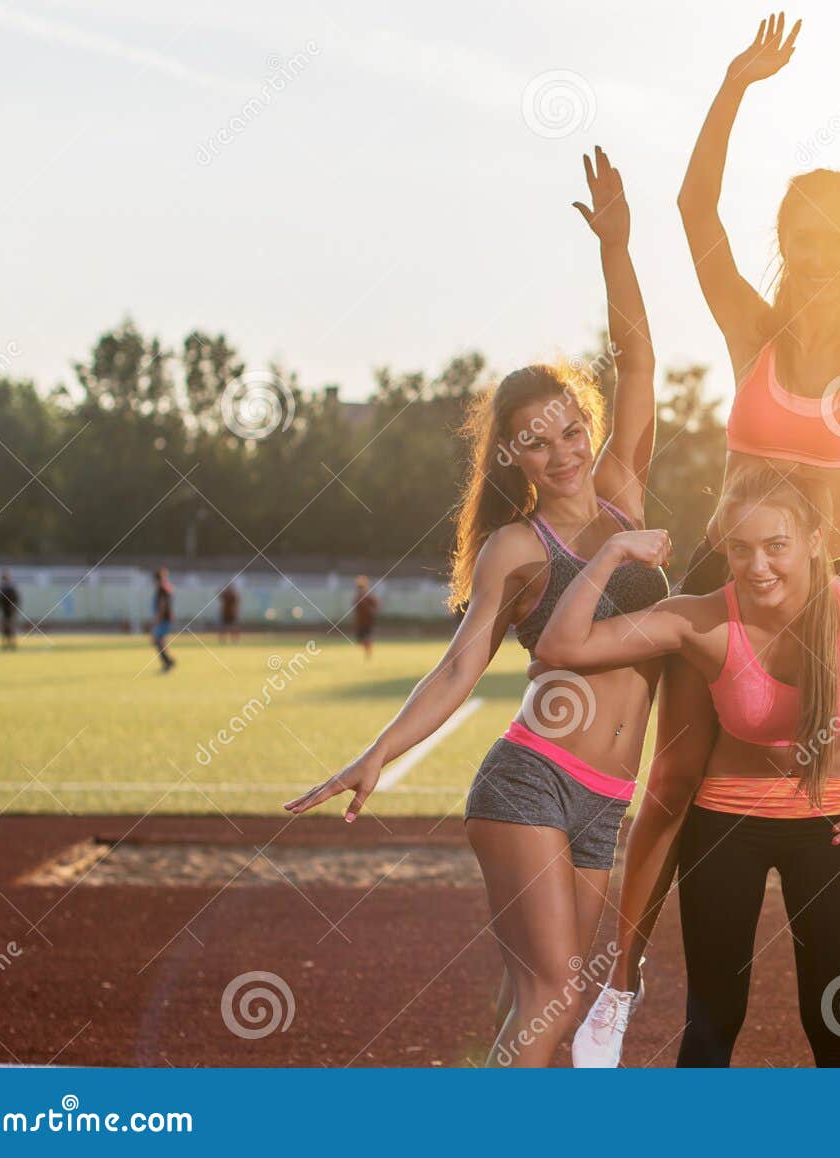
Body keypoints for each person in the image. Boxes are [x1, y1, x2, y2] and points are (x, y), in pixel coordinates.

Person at [574, 13, 840, 1063]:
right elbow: (694, 207)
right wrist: (737, 84)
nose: (820, 258)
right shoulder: (755, 329)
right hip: (731, 573)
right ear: (785, 246)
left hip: (833, 582)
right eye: (803, 239)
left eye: (839, 242)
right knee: (677, 775)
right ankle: (621, 978)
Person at [283, 148, 664, 1067]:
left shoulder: (623, 490)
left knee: (559, 1011)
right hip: (530, 783)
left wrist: (618, 248)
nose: (562, 450)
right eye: (535, 444)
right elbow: (459, 666)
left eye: (569, 428)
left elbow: (639, 358)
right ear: (514, 461)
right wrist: (376, 754)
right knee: (553, 994)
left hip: (609, 801)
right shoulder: (516, 549)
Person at [538, 465, 840, 1066]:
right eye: (740, 549)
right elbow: (562, 647)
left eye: (776, 546)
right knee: (712, 1019)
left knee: (834, 1023)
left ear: (814, 542)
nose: (758, 566)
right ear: (724, 548)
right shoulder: (703, 620)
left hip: (834, 828)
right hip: (726, 827)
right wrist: (607, 556)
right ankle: (621, 991)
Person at [151, 567, 175, 672]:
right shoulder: (165, 588)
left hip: (162, 619)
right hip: (165, 618)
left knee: (157, 641)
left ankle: (168, 662)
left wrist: (158, 619)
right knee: (160, 641)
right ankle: (168, 661)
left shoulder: (162, 589)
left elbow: (163, 605)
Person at [351, 577, 378, 659]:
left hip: (367, 621)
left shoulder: (369, 596)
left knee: (365, 637)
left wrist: (370, 612)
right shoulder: (358, 596)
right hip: (360, 622)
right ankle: (368, 649)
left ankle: (368, 651)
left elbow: (376, 606)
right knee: (360, 639)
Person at [0, 571, 20, 650]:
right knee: (5, 628)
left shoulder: (10, 587)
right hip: (6, 610)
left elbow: (16, 599)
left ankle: (11, 644)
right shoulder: (3, 587)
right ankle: (6, 644)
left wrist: (14, 608)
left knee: (9, 627)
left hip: (9, 610)